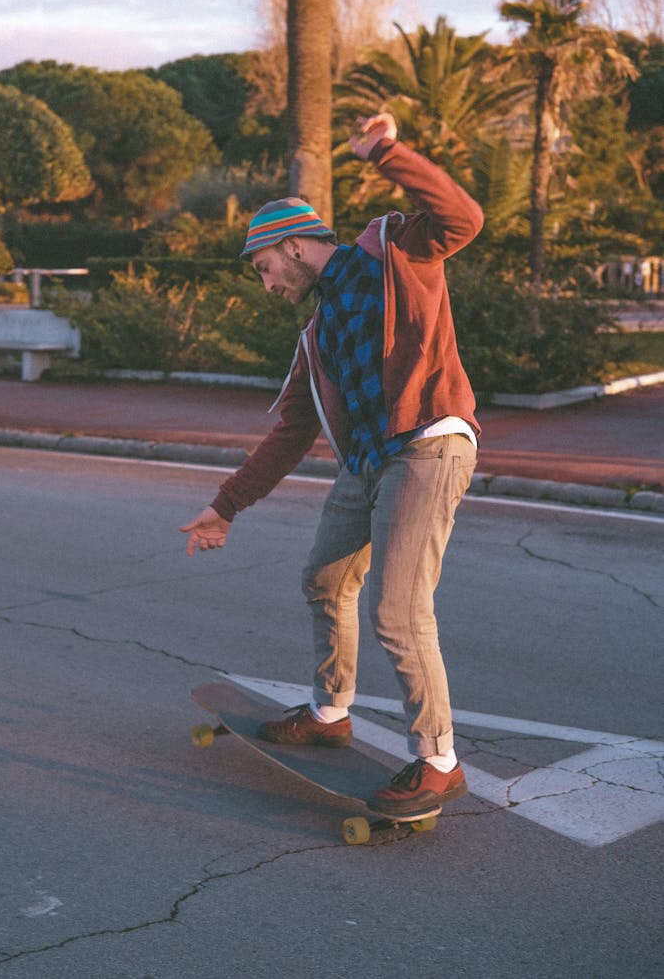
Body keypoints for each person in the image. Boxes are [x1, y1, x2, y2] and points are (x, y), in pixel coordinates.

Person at [180, 112, 482, 818]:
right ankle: (329, 713)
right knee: (325, 576)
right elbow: (290, 430)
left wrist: (387, 152)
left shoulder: (393, 254)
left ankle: (439, 759)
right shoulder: (316, 333)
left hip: (429, 442)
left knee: (399, 609)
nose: (265, 285)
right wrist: (225, 506)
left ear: (290, 246)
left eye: (264, 269)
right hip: (373, 461)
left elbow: (463, 216)